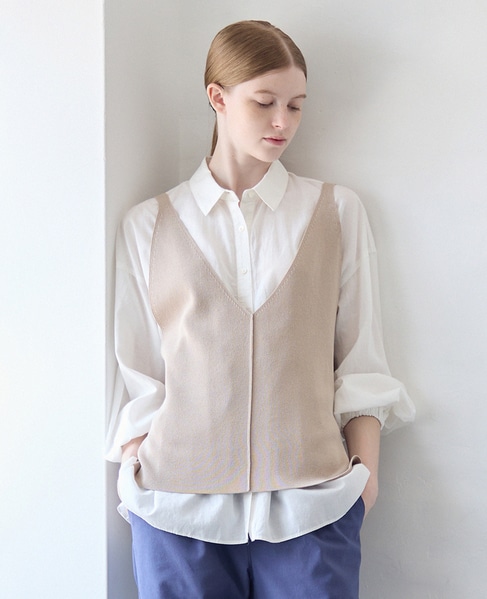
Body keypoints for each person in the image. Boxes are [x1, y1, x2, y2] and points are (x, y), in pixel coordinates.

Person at [106, 20, 415, 599]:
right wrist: (136, 476)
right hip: (175, 513)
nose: (282, 122)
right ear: (218, 97)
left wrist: (363, 484)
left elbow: (362, 361)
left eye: (295, 106)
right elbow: (139, 375)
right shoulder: (148, 225)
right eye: (264, 102)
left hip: (313, 509)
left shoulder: (336, 211)